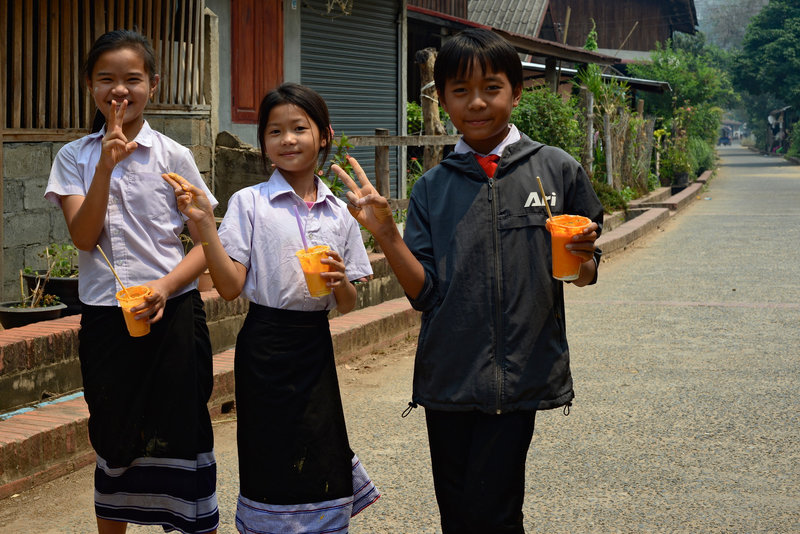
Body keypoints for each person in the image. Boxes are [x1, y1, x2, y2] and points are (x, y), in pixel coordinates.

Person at [333, 28, 604, 533]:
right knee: (458, 515)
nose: (476, 103)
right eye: (460, 91)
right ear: (443, 100)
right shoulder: (433, 187)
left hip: (520, 374)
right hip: (450, 376)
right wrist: (386, 233)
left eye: (491, 88)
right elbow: (424, 294)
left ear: (516, 92)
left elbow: (585, 274)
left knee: (493, 512)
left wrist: (582, 258)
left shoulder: (556, 170)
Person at [164, 82, 380, 534]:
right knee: (269, 448)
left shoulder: (340, 212)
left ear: (324, 135)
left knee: (320, 444)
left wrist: (340, 282)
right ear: (263, 142)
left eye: (299, 128)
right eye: (275, 131)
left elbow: (346, 304)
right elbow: (229, 288)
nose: (287, 140)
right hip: (263, 345)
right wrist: (205, 226)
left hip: (314, 345)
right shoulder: (250, 203)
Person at [44, 30, 218, 534]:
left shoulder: (173, 156)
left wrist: (164, 287)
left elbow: (207, 243)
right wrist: (105, 165)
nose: (119, 91)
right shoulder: (74, 157)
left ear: (153, 85)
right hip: (107, 319)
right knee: (114, 433)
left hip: (174, 313)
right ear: (90, 86)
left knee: (184, 431)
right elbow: (83, 237)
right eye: (107, 79)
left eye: (132, 79)